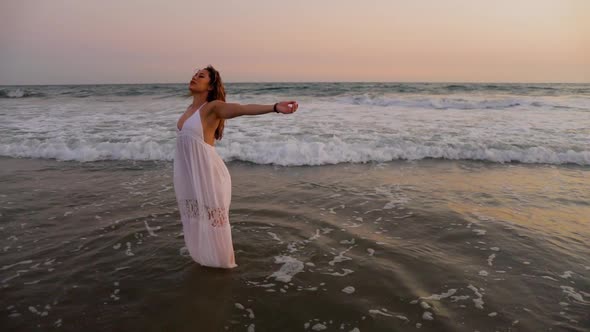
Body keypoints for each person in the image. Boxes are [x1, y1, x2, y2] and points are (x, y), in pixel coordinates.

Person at [173, 65, 298, 269]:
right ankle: (206, 261)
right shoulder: (189, 110)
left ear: (211, 85)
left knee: (216, 224)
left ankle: (226, 266)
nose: (194, 77)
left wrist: (274, 107)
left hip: (209, 175)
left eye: (201, 76)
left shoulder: (212, 107)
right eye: (195, 74)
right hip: (191, 176)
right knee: (196, 219)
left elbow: (241, 109)